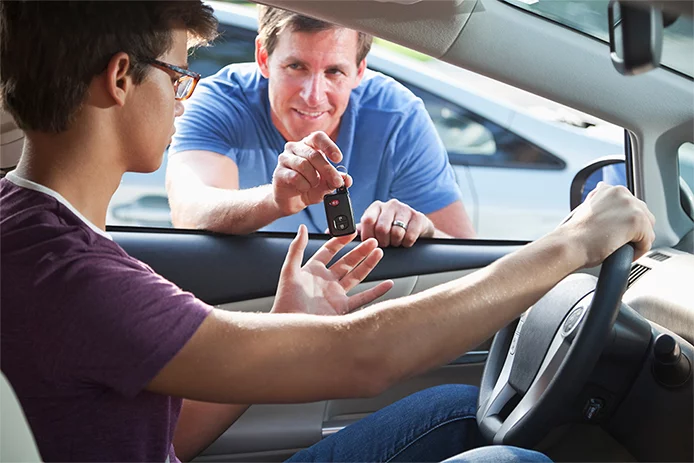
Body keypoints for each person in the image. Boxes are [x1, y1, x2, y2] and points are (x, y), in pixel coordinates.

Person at [0, 2, 655, 463]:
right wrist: (570, 243)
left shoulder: (31, 228)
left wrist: (287, 316)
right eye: (176, 75)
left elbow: (164, 435)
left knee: (455, 408)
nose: (186, 96)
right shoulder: (74, 274)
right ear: (120, 79)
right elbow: (363, 357)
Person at [166, 6, 476, 248]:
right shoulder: (219, 103)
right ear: (263, 57)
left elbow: (467, 259)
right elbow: (191, 213)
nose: (313, 96)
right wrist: (275, 200)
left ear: (359, 71)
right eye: (296, 66)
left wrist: (424, 231)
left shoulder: (397, 116)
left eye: (334, 72)